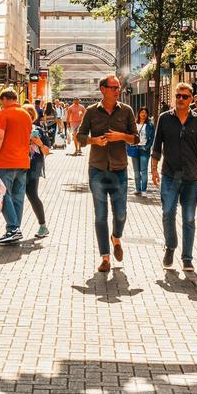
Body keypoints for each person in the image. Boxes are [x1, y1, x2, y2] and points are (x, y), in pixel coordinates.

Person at [151, 82, 197, 273]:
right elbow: (156, 146)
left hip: (190, 177)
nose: (180, 99)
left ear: (191, 99)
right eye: (178, 96)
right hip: (170, 175)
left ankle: (187, 258)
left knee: (189, 218)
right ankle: (170, 247)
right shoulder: (164, 119)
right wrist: (153, 169)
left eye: (184, 97)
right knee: (167, 213)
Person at [78, 75, 139, 273]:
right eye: (113, 87)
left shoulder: (127, 110)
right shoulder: (91, 112)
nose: (117, 90)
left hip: (119, 169)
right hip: (97, 169)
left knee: (120, 213)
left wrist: (121, 136)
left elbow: (136, 139)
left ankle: (116, 238)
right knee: (100, 215)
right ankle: (105, 257)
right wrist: (94, 141)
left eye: (118, 87)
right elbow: (79, 136)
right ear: (102, 89)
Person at [0, 89, 32, 245]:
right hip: (23, 162)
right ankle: (16, 229)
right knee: (18, 197)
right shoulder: (26, 115)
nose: (1, 105)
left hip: (7, 161)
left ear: (6, 99)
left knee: (3, 194)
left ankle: (13, 229)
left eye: (1, 101)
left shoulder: (5, 113)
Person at [23, 103, 50, 238]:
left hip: (34, 166)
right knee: (15, 196)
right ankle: (13, 227)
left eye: (29, 115)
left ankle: (43, 226)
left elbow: (46, 151)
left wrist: (38, 142)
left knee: (32, 194)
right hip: (17, 165)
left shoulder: (38, 130)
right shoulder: (16, 129)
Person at [128, 106, 155, 196]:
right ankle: (137, 189)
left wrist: (146, 147)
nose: (143, 114)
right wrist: (129, 144)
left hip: (144, 149)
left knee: (144, 171)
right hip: (135, 148)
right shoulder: (134, 124)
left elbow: (152, 139)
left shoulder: (150, 125)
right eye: (142, 112)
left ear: (147, 115)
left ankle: (143, 190)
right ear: (138, 113)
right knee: (136, 171)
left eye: (145, 112)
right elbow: (129, 136)